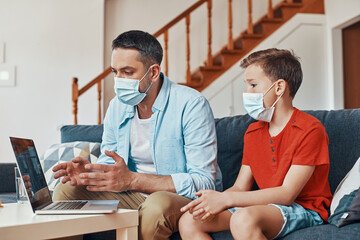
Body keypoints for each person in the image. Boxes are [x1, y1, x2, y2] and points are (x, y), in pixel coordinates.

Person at [52, 30, 222, 240]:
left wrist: (133, 180)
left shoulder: (192, 105)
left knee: (156, 204)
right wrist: (90, 173)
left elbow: (204, 182)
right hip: (131, 195)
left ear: (153, 72)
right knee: (66, 192)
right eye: (115, 72)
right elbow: (110, 159)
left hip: (178, 199)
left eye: (128, 72)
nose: (118, 80)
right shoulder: (116, 106)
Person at [179, 48, 332, 240]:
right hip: (266, 208)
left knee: (242, 219)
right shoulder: (253, 132)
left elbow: (286, 194)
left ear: (279, 88)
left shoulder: (310, 129)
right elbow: (240, 187)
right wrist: (213, 200)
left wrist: (227, 199)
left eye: (253, 85)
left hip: (306, 208)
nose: (246, 93)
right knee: (189, 220)